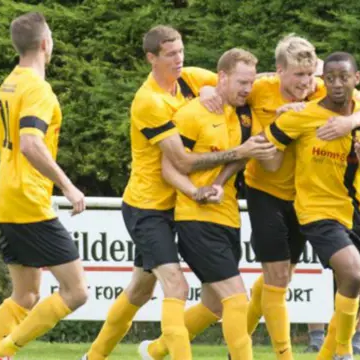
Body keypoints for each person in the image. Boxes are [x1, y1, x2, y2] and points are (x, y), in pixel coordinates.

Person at [80, 25, 274, 360]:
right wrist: (238, 152)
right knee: (176, 286)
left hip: (180, 202)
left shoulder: (191, 77)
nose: (179, 60)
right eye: (171, 55)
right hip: (149, 206)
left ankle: (108, 355)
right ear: (151, 58)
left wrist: (292, 83)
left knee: (140, 291)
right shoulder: (149, 101)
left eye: (181, 51)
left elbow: (239, 80)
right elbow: (181, 161)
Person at [242, 34, 360, 360]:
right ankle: (302, 354)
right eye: (298, 75)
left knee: (349, 280)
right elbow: (226, 83)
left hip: (332, 203)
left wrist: (350, 125)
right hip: (273, 194)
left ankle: (241, 338)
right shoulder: (261, 90)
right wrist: (277, 124)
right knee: (284, 277)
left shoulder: (340, 101)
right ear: (279, 71)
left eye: (311, 76)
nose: (306, 83)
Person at [0, 12, 89, 360]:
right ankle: (0, 351)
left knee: (25, 296)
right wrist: (68, 186)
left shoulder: (9, 82)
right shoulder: (38, 89)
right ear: (45, 44)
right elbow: (29, 143)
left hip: (7, 198)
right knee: (76, 292)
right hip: (28, 202)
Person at [157, 47, 263, 360]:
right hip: (196, 220)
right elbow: (169, 167)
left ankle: (154, 351)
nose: (247, 89)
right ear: (222, 78)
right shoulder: (191, 113)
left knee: (214, 305)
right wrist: (194, 192)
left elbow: (241, 155)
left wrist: (218, 183)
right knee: (236, 301)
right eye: (241, 82)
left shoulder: (245, 114)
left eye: (251, 83)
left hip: (228, 218)